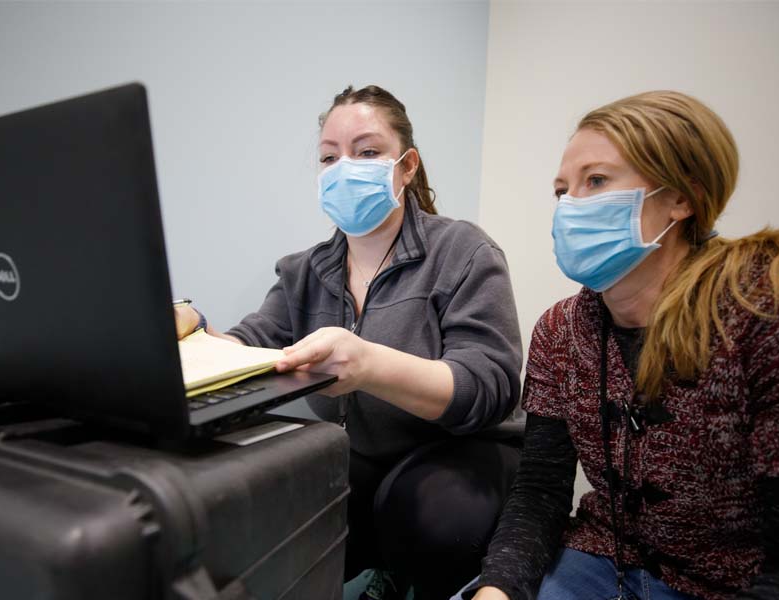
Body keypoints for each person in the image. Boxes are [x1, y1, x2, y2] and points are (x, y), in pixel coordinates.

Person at [455, 90, 779, 600]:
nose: (569, 207)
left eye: (597, 181)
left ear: (683, 197)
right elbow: (540, 491)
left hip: (740, 585)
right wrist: (498, 589)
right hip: (601, 560)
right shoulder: (561, 331)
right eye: (561, 190)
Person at [174, 85, 523, 600]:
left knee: (432, 516)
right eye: (329, 157)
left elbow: (489, 386)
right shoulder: (305, 271)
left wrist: (370, 366)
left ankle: (428, 579)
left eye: (366, 152)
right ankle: (381, 567)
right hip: (368, 453)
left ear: (407, 166)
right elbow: (251, 347)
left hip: (468, 450)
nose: (344, 168)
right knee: (287, 501)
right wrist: (192, 324)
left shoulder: (462, 251)